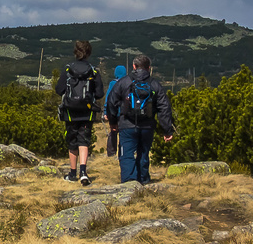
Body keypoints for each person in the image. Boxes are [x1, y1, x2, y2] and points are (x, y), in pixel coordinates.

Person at [102, 54, 173, 184]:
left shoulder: (124, 82)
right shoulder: (154, 84)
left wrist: (113, 122)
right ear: (149, 68)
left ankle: (129, 183)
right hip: (147, 126)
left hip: (127, 125)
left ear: (134, 66)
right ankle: (143, 180)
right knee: (143, 153)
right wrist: (167, 130)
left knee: (126, 155)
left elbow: (112, 102)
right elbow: (164, 108)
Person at [53, 40, 105, 184]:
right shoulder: (93, 71)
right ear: (89, 52)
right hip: (87, 111)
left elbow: (59, 89)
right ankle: (83, 172)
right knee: (84, 140)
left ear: (75, 52)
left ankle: (72, 173)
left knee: (72, 141)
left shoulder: (68, 69)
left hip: (70, 111)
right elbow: (100, 93)